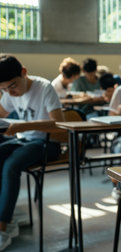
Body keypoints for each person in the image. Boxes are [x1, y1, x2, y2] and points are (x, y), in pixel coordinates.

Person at [0, 55, 63, 251]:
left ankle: (3, 225)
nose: (11, 93)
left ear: (24, 72)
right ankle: (6, 212)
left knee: (11, 166)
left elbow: (59, 125)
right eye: (3, 90)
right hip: (24, 140)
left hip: (47, 143)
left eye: (12, 87)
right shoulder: (10, 92)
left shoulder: (44, 87)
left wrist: (25, 126)